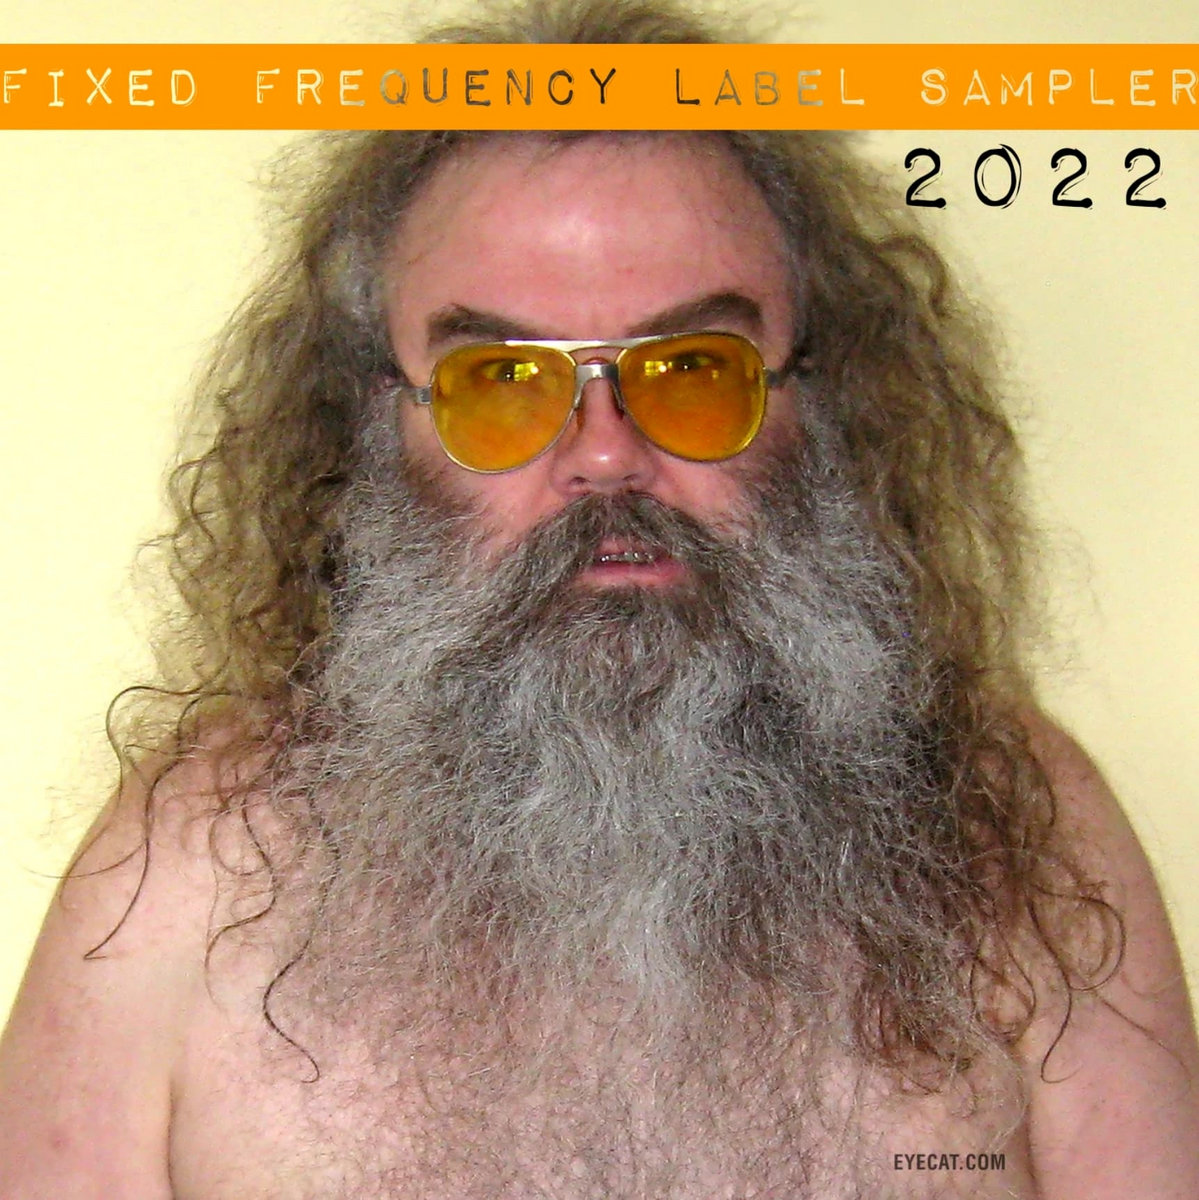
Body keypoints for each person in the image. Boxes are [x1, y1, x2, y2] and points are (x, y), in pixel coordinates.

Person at [1, 1, 1196, 1195]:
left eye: (693, 369)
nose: (607, 452)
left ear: (819, 404)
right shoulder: (186, 871)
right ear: (374, 427)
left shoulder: (1016, 840)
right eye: (500, 380)